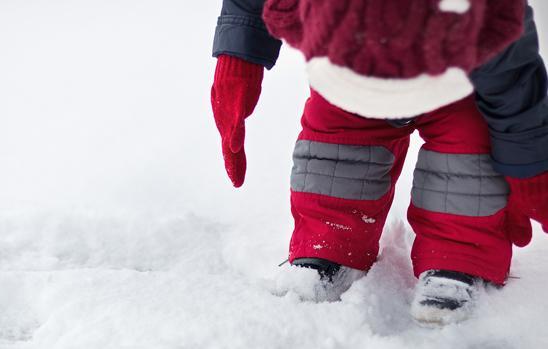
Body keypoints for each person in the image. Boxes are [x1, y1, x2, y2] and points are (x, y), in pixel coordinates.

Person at [210, 0, 548, 326]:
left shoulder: (489, 18)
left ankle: (459, 256)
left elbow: (516, 87)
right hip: (347, 73)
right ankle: (329, 244)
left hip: (456, 84)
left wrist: (530, 170)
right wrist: (238, 56)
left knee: (470, 153)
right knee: (336, 147)